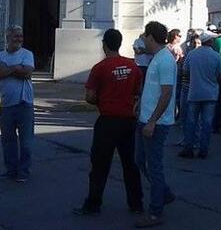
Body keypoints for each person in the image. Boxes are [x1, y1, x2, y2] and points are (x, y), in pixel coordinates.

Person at [78, 29, 144, 216]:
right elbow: (138, 91)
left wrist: (102, 99)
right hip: (128, 121)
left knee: (100, 164)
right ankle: (136, 203)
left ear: (104, 44)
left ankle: (93, 203)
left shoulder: (100, 68)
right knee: (130, 164)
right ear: (120, 43)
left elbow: (90, 96)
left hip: (107, 121)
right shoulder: (132, 67)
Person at [135, 21, 178, 228]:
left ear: (151, 37)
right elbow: (154, 88)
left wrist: (152, 121)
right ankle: (164, 193)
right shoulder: (157, 58)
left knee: (154, 166)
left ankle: (155, 211)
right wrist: (140, 102)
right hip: (146, 119)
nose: (143, 39)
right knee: (140, 160)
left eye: (145, 36)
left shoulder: (165, 60)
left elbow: (166, 93)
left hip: (157, 123)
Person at [0, 25, 35, 182]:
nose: (19, 39)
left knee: (26, 142)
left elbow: (27, 72)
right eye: (16, 36)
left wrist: (8, 69)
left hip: (25, 103)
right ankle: (10, 170)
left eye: (20, 36)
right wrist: (17, 68)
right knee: (8, 141)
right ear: (7, 38)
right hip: (6, 104)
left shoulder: (27, 54)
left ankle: (23, 171)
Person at [179, 31, 221, 159]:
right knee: (207, 123)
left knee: (191, 121)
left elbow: (185, 71)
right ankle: (203, 149)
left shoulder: (192, 54)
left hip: (194, 92)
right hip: (210, 93)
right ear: (210, 42)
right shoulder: (216, 56)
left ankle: (188, 148)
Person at [167, 29, 185, 121]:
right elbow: (181, 59)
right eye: (180, 36)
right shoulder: (176, 47)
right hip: (176, 69)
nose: (181, 38)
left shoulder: (166, 47)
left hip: (168, 70)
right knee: (177, 92)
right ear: (175, 36)